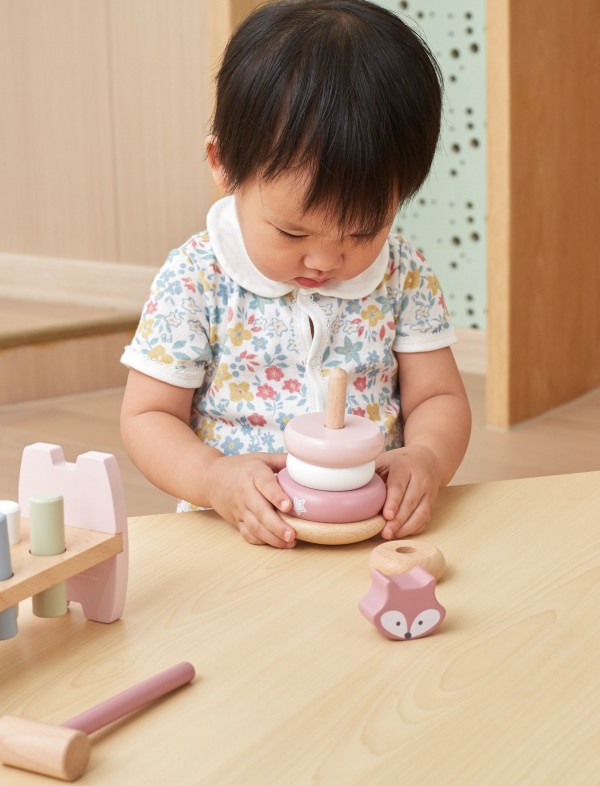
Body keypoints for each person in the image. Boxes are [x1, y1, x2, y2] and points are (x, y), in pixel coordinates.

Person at [119, 0, 471, 548]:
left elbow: (438, 398)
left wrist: (426, 457)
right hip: (235, 531)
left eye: (361, 233)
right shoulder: (196, 279)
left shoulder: (402, 274)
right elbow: (148, 417)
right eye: (292, 233)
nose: (325, 261)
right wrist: (212, 478)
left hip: (370, 532)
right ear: (223, 165)